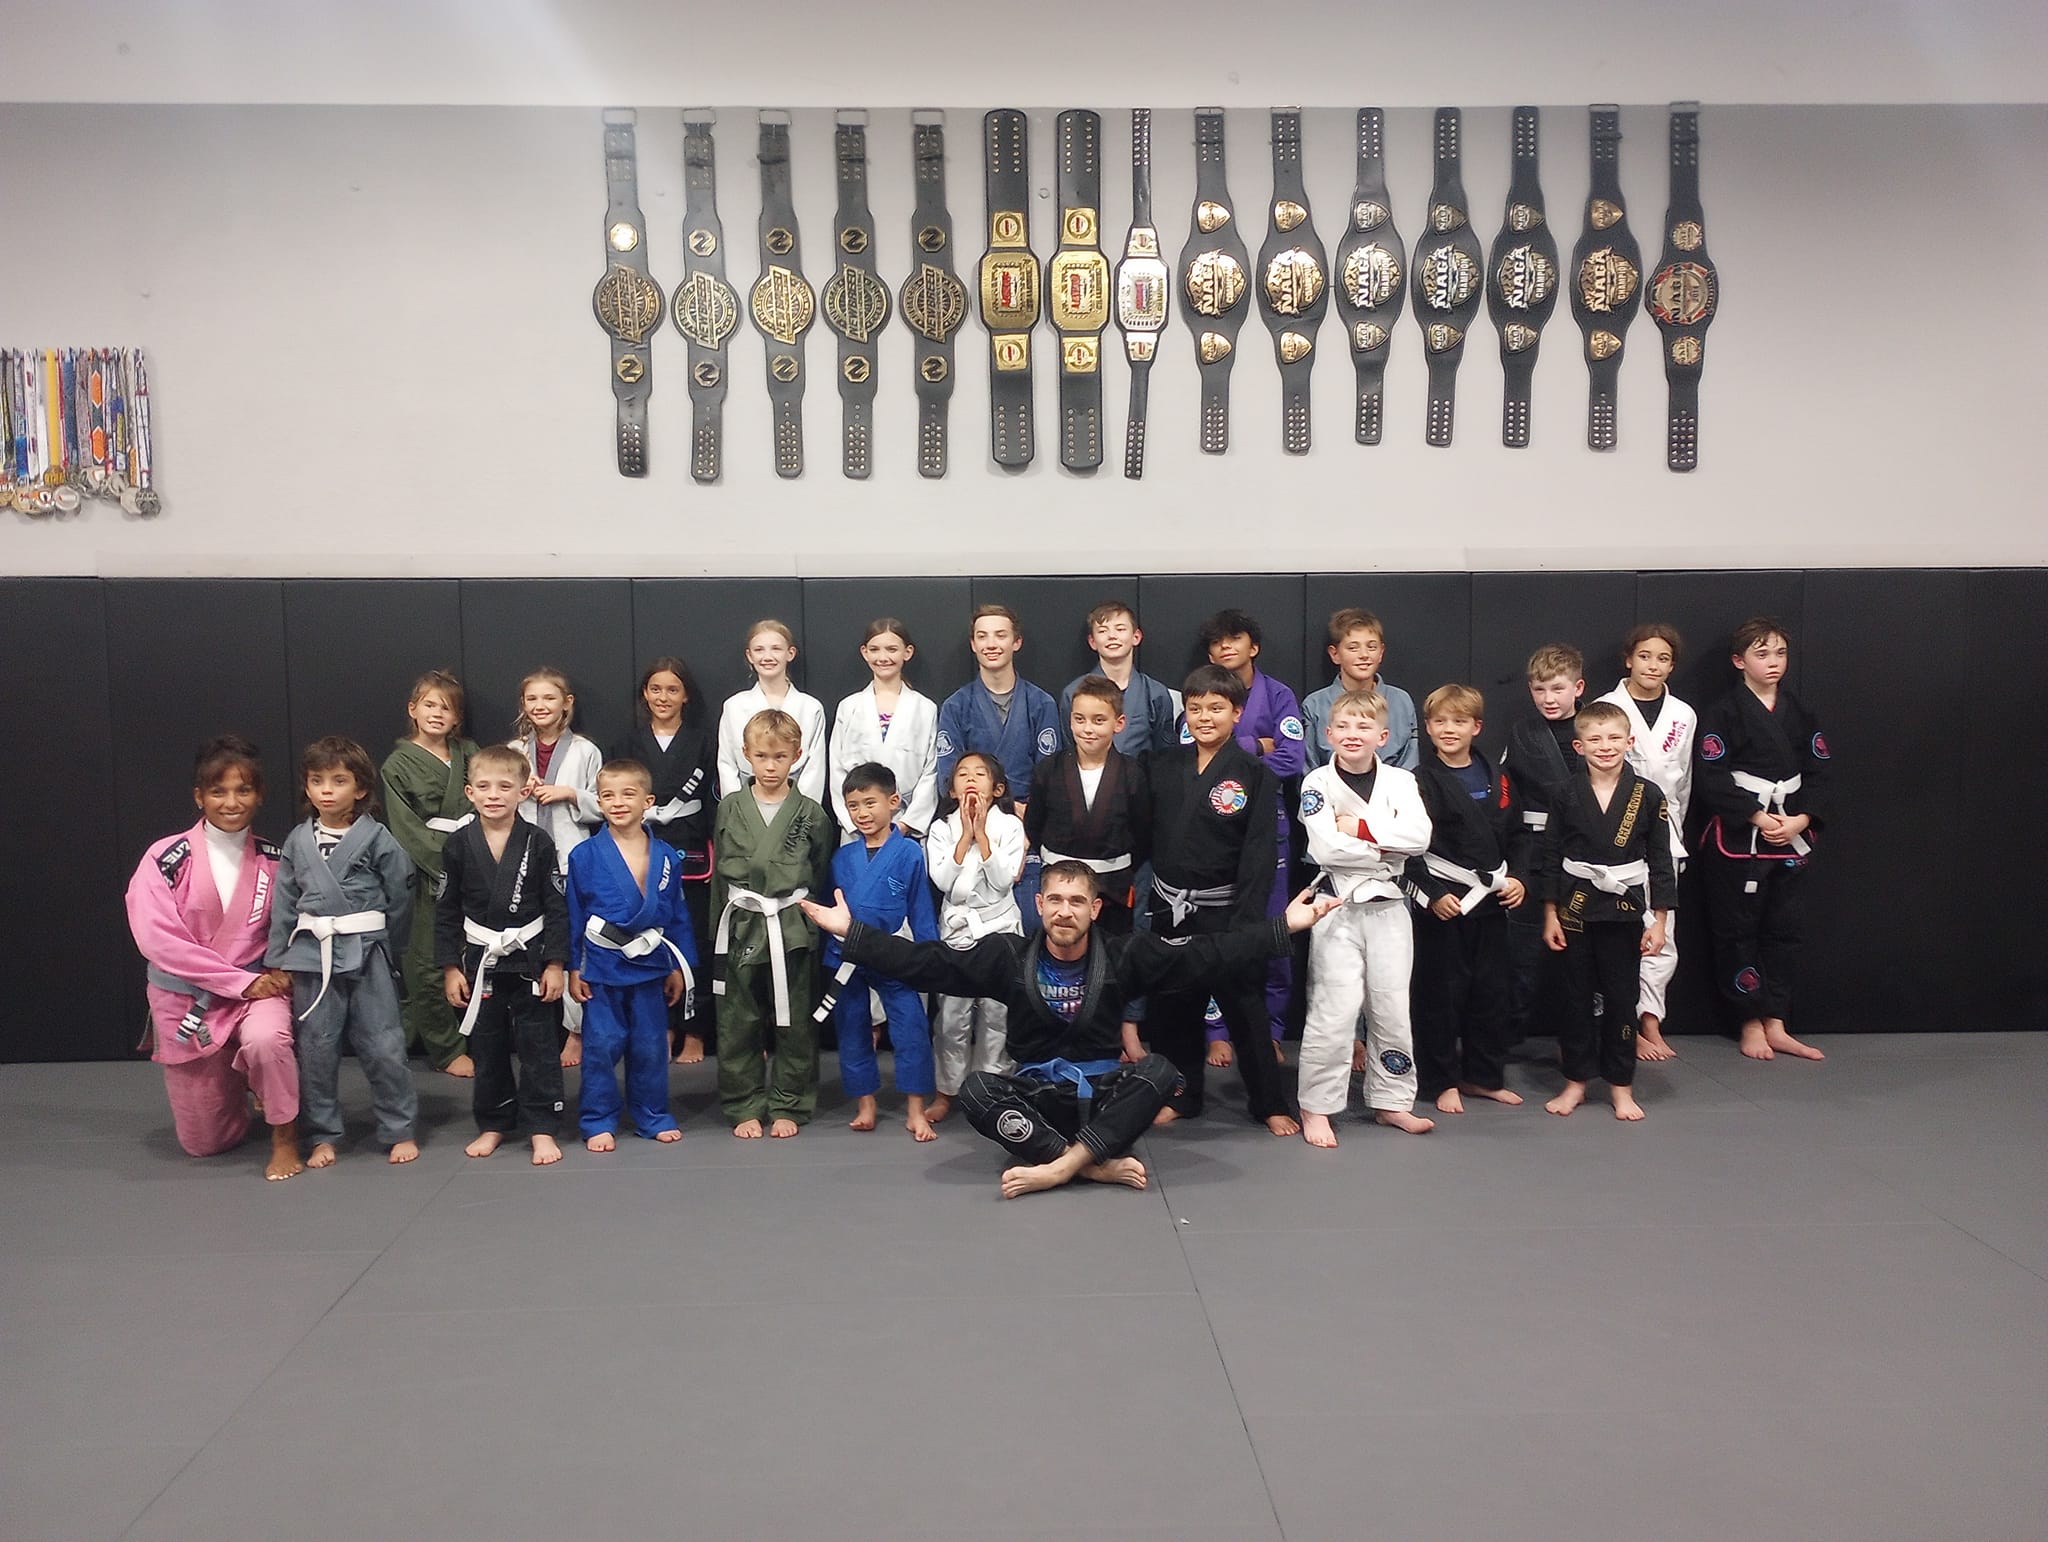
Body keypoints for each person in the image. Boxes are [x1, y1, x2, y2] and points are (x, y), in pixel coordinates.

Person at [802, 861, 1344, 1197]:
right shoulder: (1008, 957)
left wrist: (1283, 927)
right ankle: (1089, 1163)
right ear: (1039, 905)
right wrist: (854, 933)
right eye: (1056, 900)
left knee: (1159, 1071)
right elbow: (929, 964)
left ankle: (1058, 1166)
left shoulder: (1124, 955)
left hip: (1105, 1095)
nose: (1065, 911)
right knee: (977, 1089)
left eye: (1077, 901)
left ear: (1096, 908)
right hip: (1037, 1097)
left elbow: (1206, 955)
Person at [124, 735, 303, 1180]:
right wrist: (239, 982)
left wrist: (278, 970)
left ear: (259, 795)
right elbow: (158, 940)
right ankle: (237, 1083)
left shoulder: (275, 860)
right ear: (199, 796)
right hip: (191, 1001)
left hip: (256, 994)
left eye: (243, 790)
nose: (231, 802)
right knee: (205, 1143)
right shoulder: (166, 858)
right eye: (218, 791)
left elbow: (294, 925)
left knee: (267, 1039)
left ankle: (285, 1135)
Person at [1144, 665, 1298, 1134]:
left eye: (1216, 708)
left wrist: (1246, 925)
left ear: (1237, 713)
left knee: (1247, 1011)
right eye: (1195, 709)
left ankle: (1269, 1103)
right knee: (1174, 1010)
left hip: (1227, 910)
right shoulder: (1163, 765)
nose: (1204, 717)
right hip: (1171, 908)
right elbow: (1148, 834)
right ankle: (1182, 1095)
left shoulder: (1255, 773)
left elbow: (1258, 855)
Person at [265, 735, 418, 1167]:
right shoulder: (297, 842)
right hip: (311, 955)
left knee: (384, 1044)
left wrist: (387, 944)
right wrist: (277, 959)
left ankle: (399, 1128)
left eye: (338, 780)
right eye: (317, 781)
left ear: (361, 788)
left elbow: (400, 895)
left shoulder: (378, 838)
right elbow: (284, 902)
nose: (326, 790)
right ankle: (323, 1133)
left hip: (367, 951)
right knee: (316, 1048)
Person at [1296, 690, 1436, 1146]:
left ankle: (1392, 1100)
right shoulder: (1317, 781)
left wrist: (1357, 828)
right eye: (1343, 726)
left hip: (1390, 906)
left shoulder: (1402, 781)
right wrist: (1386, 849)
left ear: (1383, 736)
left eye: (1364, 727)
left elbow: (1420, 837)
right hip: (1335, 905)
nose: (1353, 735)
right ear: (1328, 733)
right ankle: (1316, 1105)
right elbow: (1326, 848)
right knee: (1334, 1009)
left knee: (1392, 1005)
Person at [1693, 616, 1830, 1062]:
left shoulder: (1801, 712)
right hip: (1740, 836)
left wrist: (1802, 818)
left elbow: (1820, 771)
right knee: (1737, 931)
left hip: (1791, 832)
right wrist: (1754, 814)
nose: (1774, 662)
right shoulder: (1723, 712)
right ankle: (1749, 1021)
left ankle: (1777, 1021)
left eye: (1781, 653)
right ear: (1739, 661)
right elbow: (1711, 776)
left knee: (1785, 930)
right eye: (1762, 653)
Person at [1539, 701, 1677, 1121]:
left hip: (1624, 910)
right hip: (1575, 907)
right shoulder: (1564, 793)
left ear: (1630, 741)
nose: (1605, 746)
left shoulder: (1648, 795)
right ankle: (1576, 1081)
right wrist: (1550, 913)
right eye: (1595, 739)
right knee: (1574, 999)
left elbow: (1661, 861)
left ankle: (1621, 1085)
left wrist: (1660, 921)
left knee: (1622, 999)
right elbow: (1550, 856)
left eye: (1614, 738)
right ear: (1578, 746)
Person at [436, 743, 570, 1165]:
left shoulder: (539, 841)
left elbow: (556, 906)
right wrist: (450, 967)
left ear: (523, 792)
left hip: (530, 957)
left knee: (539, 1046)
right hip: (481, 959)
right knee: (487, 1046)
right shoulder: (458, 844)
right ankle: (493, 1122)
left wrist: (556, 963)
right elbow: (446, 911)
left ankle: (542, 1126)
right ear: (469, 792)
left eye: (504, 786)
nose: (493, 794)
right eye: (484, 786)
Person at [1404, 685, 1531, 1115]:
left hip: (1492, 902)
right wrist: (1432, 894)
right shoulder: (1418, 781)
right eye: (1440, 721)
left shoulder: (1499, 776)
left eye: (1459, 721)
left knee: (1492, 993)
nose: (1449, 729)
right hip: (1445, 903)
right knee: (1439, 995)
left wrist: (1519, 878)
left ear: (1476, 727)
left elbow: (1519, 835)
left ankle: (1483, 1076)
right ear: (1427, 727)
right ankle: (1440, 1080)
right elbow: (1407, 850)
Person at [710, 709, 837, 1137]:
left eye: (780, 757)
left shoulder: (811, 814)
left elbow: (818, 872)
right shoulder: (730, 807)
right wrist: (715, 934)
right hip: (740, 922)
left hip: (790, 925)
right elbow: (719, 879)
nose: (770, 766)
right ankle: (743, 1103)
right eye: (762, 756)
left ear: (796, 757)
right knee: (737, 1021)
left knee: (795, 1020)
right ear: (745, 754)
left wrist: (811, 926)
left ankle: (790, 1103)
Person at [567, 759, 696, 1150]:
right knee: (601, 1045)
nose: (618, 802)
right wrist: (574, 966)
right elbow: (573, 915)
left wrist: (678, 966)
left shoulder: (667, 856)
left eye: (628, 794)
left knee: (650, 1045)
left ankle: (652, 1114)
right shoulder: (584, 855)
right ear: (598, 802)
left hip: (650, 963)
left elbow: (677, 916)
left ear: (648, 801)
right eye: (608, 795)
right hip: (602, 964)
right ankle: (597, 1119)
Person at [1193, 608, 1304, 1059]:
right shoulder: (1202, 693)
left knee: (1274, 930)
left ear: (1252, 646)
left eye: (1234, 639)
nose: (1226, 647)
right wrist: (1257, 744)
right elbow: (1194, 756)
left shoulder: (1279, 695)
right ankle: (1216, 1030)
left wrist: (1229, 755)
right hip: (1214, 827)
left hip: (1269, 824)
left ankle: (1272, 1030)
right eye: (1217, 642)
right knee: (1214, 933)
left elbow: (1291, 759)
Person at [819, 763, 940, 1139]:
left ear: (894, 802)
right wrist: (831, 952)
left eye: (870, 803)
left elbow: (921, 908)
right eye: (853, 806)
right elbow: (833, 908)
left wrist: (930, 954)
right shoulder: (842, 857)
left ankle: (916, 1109)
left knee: (911, 1028)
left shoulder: (909, 852)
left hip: (893, 950)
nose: (862, 813)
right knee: (852, 1027)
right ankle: (865, 1104)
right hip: (848, 954)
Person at [1596, 625, 1696, 1061]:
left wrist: (1674, 833)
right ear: (1628, 659)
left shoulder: (1684, 714)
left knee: (1662, 931)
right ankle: (1622, 1022)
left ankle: (1651, 1018)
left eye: (1663, 658)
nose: (1653, 665)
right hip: (1614, 831)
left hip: (1664, 831)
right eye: (1644, 656)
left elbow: (1685, 781)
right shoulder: (1606, 707)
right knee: (1615, 934)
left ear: (1672, 666)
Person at [612, 656, 719, 1063]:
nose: (663, 697)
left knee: (694, 942)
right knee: (650, 942)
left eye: (672, 689)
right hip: (642, 847)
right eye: (655, 689)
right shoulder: (626, 744)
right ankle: (663, 1025)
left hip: (690, 850)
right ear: (645, 693)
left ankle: (695, 1031)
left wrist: (713, 843)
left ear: (685, 695)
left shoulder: (704, 742)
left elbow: (712, 799)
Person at [380, 669, 478, 1077]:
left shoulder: (469, 752)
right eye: (430, 704)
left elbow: (490, 794)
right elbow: (406, 828)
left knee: (475, 954)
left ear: (457, 718)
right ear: (413, 709)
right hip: (427, 871)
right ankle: (445, 1047)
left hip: (477, 858)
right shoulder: (397, 764)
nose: (438, 713)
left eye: (447, 707)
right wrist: (447, 864)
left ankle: (480, 1037)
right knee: (426, 960)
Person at [936, 604, 1062, 916]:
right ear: (973, 644)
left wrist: (1027, 821)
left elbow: (1050, 775)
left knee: (1028, 923)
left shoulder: (1041, 703)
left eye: (1000, 635)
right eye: (982, 636)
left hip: (1030, 828)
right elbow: (948, 777)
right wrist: (985, 812)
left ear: (1016, 642)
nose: (991, 644)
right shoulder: (956, 706)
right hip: (970, 826)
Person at [924, 751, 1026, 1123]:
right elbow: (942, 881)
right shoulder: (941, 828)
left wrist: (981, 834)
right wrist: (965, 835)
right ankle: (947, 1090)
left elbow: (1003, 880)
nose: (970, 778)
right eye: (962, 774)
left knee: (998, 1013)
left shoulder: (1010, 826)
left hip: (999, 927)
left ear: (997, 789)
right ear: (951, 790)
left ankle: (992, 1087)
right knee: (952, 1016)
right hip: (958, 929)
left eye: (980, 774)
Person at [510, 666, 602, 1066]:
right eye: (532, 698)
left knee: (570, 945)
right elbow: (494, 800)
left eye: (549, 697)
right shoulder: (514, 751)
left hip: (569, 857)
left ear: (567, 703)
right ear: (523, 704)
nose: (540, 705)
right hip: (524, 860)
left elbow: (605, 804)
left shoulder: (584, 751)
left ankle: (576, 1032)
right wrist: (521, 791)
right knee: (533, 948)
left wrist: (570, 793)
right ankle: (535, 1033)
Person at [1500, 643, 1587, 1047]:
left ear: (1578, 688)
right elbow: (1507, 798)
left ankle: (1583, 1040)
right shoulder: (1522, 734)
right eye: (1539, 690)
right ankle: (1507, 1037)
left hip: (1585, 855)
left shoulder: (1598, 728)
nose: (1548, 699)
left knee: (1583, 957)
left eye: (1557, 688)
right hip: (1533, 853)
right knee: (1522, 956)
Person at [1025, 675, 1152, 936]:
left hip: (1113, 887)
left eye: (1099, 720)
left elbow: (1143, 833)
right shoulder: (1048, 770)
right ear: (1070, 720)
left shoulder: (1133, 773)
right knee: (1060, 948)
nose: (1088, 729)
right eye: (1079, 719)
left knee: (1112, 952)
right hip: (1060, 885)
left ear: (1119, 723)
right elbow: (1034, 825)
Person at [828, 618, 939, 840]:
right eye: (874, 649)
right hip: (859, 823)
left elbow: (930, 771)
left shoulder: (924, 708)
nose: (883, 657)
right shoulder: (849, 707)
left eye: (892, 649)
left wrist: (906, 824)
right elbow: (837, 768)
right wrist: (853, 820)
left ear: (907, 652)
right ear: (864, 652)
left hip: (904, 823)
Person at [716, 618, 829, 805]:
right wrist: (736, 810)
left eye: (776, 649)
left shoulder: (810, 708)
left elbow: (814, 770)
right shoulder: (733, 706)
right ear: (749, 655)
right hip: (746, 802)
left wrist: (803, 812)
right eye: (759, 650)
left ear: (790, 653)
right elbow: (727, 764)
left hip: (796, 803)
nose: (767, 657)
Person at [1302, 607, 1420, 771]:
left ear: (1381, 652)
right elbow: (1309, 767)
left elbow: (1410, 765)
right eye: (1353, 648)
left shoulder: (1401, 701)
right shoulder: (1315, 705)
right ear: (1335, 654)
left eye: (1371, 647)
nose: (1364, 655)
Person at [1059, 600, 1180, 755]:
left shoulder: (1155, 694)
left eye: (1120, 629)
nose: (1112, 636)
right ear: (1092, 641)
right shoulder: (1073, 693)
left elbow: (1165, 755)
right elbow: (1068, 751)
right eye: (1102, 631)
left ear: (1136, 637)